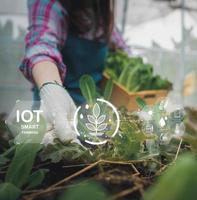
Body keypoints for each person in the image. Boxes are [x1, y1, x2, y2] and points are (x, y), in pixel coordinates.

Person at [20, 0, 129, 142]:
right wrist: (52, 89)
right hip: (56, 112)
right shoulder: (49, 5)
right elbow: (41, 47)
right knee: (54, 155)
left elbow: (126, 54)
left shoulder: (101, 16)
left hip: (92, 118)